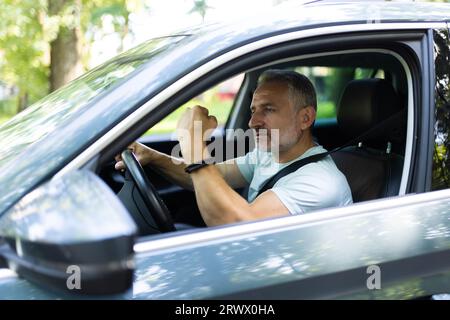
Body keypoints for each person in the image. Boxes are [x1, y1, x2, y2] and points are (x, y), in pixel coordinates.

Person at [115, 70, 352, 227]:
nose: (253, 122)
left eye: (268, 109)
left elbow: (238, 223)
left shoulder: (320, 182)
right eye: (253, 110)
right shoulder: (268, 154)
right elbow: (206, 178)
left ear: (305, 118)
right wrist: (152, 156)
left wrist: (194, 142)